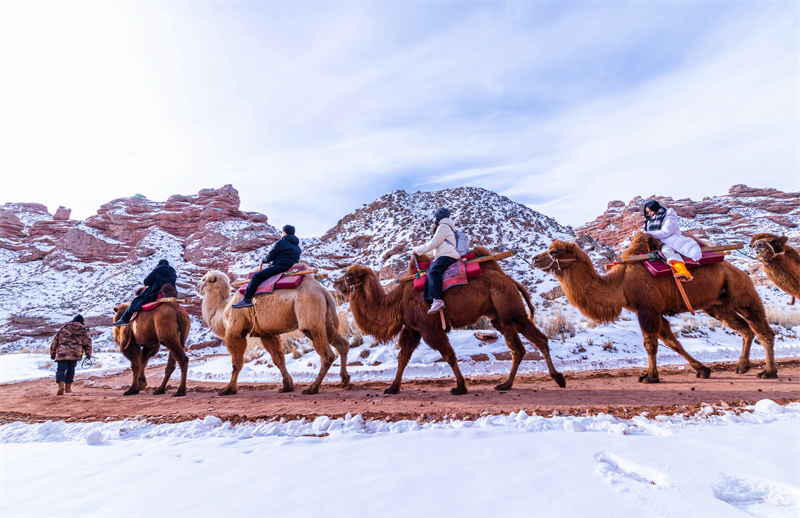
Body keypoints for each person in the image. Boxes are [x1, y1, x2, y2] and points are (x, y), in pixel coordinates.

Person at [232, 225, 301, 308]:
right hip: (291, 268)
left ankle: (246, 299)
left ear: (284, 232)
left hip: (280, 267)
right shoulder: (297, 247)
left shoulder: (282, 242)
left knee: (256, 277)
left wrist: (264, 260)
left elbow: (271, 255)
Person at [413, 208, 462, 314]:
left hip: (447, 255)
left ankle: (438, 300)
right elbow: (436, 248)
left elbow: (432, 244)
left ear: (436, 218)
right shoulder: (447, 227)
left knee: (433, 271)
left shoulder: (443, 226)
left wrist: (417, 250)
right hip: (446, 254)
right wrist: (422, 253)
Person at [642, 200, 702, 282]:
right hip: (656, 242)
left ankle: (683, 271)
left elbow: (666, 232)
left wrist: (647, 234)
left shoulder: (669, 216)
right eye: (647, 212)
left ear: (655, 208)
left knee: (666, 250)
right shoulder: (650, 221)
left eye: (651, 211)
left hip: (670, 240)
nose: (649, 214)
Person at [113, 259, 177, 326]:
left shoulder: (156, 271)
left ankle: (125, 319)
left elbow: (146, 282)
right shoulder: (173, 273)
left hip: (155, 293)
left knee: (137, 300)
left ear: (159, 265)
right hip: (169, 294)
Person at [50, 315, 92, 395]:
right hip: (75, 353)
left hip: (62, 352)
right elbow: (87, 342)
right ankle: (68, 388)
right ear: (82, 321)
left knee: (61, 369)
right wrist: (88, 353)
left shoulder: (63, 327)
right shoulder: (83, 328)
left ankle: (61, 385)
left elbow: (54, 341)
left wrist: (52, 353)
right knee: (71, 369)